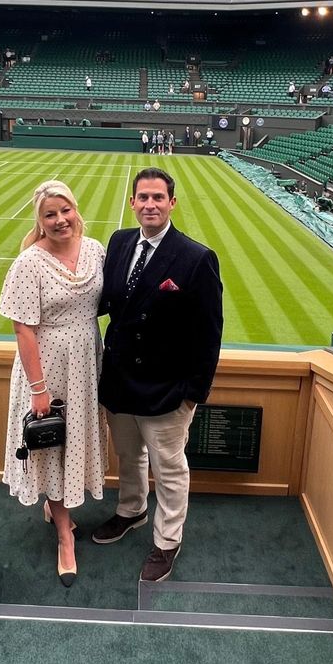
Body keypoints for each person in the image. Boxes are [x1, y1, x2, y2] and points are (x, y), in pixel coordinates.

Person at [93, 167, 223, 582]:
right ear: (132, 203)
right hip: (119, 381)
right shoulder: (118, 242)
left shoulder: (195, 257)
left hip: (166, 388)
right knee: (128, 456)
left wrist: (192, 394)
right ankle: (131, 510)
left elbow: (209, 333)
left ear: (172, 203)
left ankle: (167, 540)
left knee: (169, 468)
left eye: (158, 198)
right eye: (143, 197)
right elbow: (105, 301)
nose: (150, 204)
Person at [0, 181, 107, 587]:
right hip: (47, 369)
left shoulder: (96, 249)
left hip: (86, 364)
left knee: (72, 442)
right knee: (53, 445)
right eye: (50, 214)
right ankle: (65, 535)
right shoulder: (29, 262)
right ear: (39, 220)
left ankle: (56, 508)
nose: (60, 220)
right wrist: (39, 389)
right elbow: (23, 330)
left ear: (75, 210)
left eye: (65, 210)